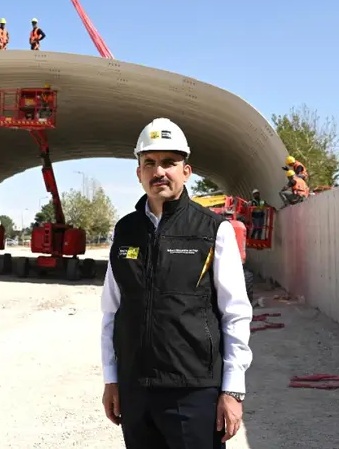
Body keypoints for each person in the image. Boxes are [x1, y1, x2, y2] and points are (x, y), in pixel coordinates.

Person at [100, 117, 253, 448]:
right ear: (139, 172)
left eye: (169, 162)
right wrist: (112, 379)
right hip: (135, 390)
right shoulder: (124, 231)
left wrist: (232, 389)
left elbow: (235, 314)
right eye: (150, 163)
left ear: (186, 171)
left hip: (193, 391)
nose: (159, 172)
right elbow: (112, 313)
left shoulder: (213, 231)